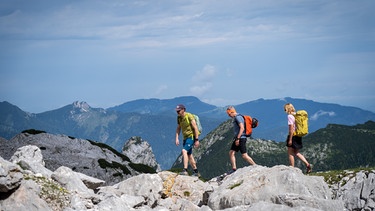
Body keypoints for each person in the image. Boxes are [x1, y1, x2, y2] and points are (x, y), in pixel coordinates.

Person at [226, 106, 256, 174]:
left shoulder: (238, 117)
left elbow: (242, 128)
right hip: (239, 138)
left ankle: (255, 166)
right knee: (231, 152)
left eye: (229, 114)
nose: (229, 115)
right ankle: (234, 169)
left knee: (244, 155)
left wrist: (238, 138)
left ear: (231, 112)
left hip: (241, 138)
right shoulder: (239, 116)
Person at [284, 103, 312, 174]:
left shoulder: (290, 116)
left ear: (287, 109)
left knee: (290, 153)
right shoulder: (297, 115)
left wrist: (290, 139)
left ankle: (292, 169)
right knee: (296, 152)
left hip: (293, 136)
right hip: (299, 135)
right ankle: (307, 164)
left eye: (285, 109)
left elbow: (291, 129)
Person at [175, 104, 201, 177]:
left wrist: (196, 139)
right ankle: (196, 172)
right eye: (177, 111)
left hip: (191, 137)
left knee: (184, 151)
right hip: (185, 138)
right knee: (189, 155)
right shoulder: (179, 118)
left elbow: (195, 128)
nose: (177, 112)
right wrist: (177, 138)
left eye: (179, 111)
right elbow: (178, 128)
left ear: (183, 110)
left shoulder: (189, 116)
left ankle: (185, 170)